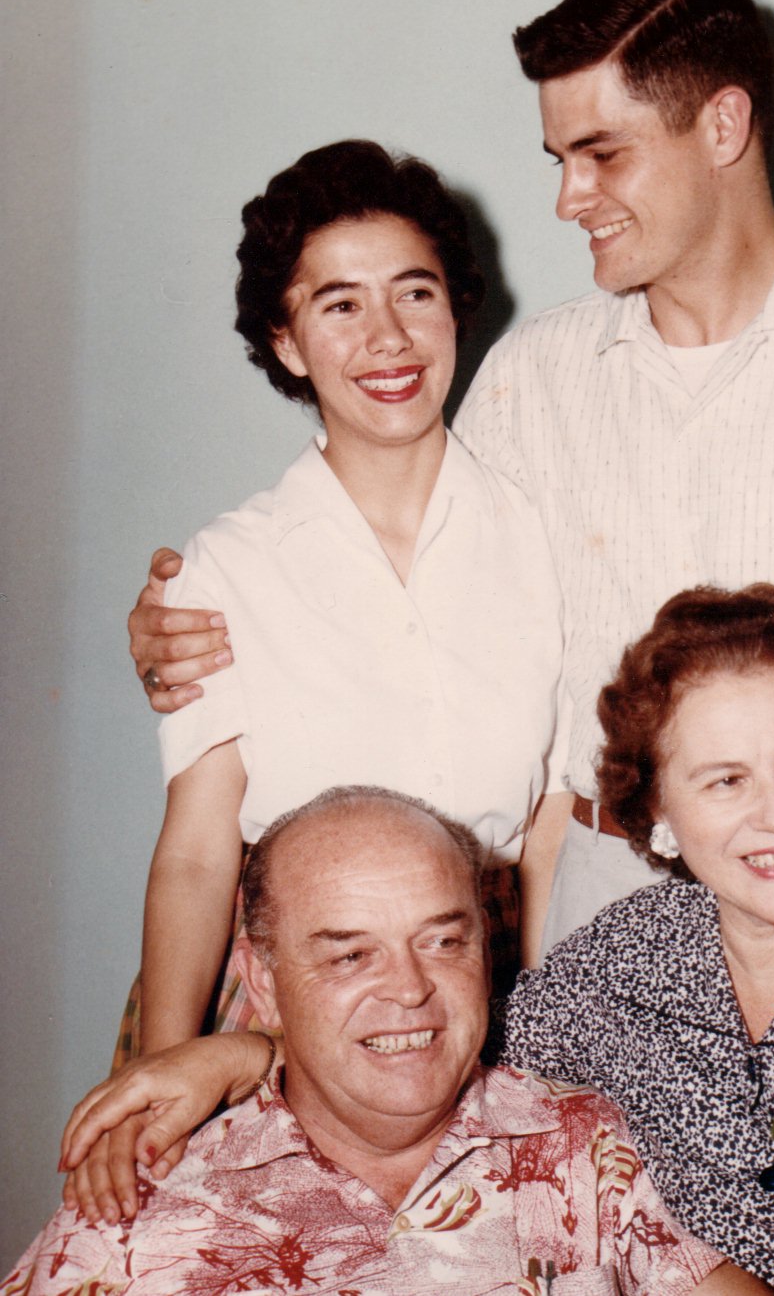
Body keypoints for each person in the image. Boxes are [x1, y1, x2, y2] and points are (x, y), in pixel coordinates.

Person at [125, 0, 774, 1017]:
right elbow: (381, 559)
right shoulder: (533, 377)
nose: (565, 197)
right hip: (596, 909)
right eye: (558, 158)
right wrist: (184, 625)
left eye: (600, 155)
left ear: (723, 127)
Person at [56, 590, 774, 1294]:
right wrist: (240, 1052)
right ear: (662, 820)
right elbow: (431, 1047)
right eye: (723, 779)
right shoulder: (610, 967)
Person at [121, 140, 568, 1079]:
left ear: (454, 307)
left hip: (485, 986)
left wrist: (539, 1038)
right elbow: (199, 852)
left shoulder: (542, 531)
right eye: (340, 305)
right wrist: (165, 1073)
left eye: (414, 292)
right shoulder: (226, 567)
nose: (388, 339)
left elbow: (550, 823)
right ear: (285, 343)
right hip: (284, 1009)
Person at [8, 787, 768, 1295]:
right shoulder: (135, 1213)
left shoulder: (584, 1146)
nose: (409, 989)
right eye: (350, 955)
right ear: (263, 983)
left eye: (442, 942)